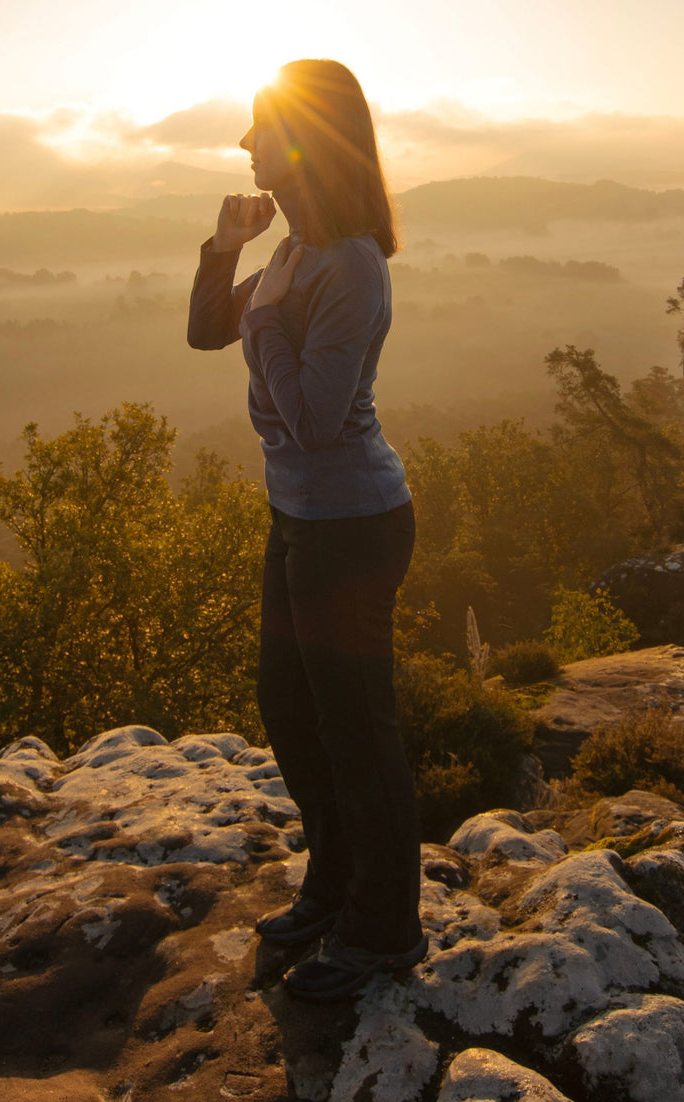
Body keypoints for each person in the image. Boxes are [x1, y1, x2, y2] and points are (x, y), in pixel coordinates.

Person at [187, 59, 426, 1002]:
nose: (244, 145)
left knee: (357, 729)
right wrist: (223, 247)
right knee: (289, 710)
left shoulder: (350, 263)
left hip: (355, 527)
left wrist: (269, 328)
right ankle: (334, 884)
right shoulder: (291, 249)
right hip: (299, 518)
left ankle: (383, 930)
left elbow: (317, 420)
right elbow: (210, 329)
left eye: (259, 129)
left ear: (305, 144)